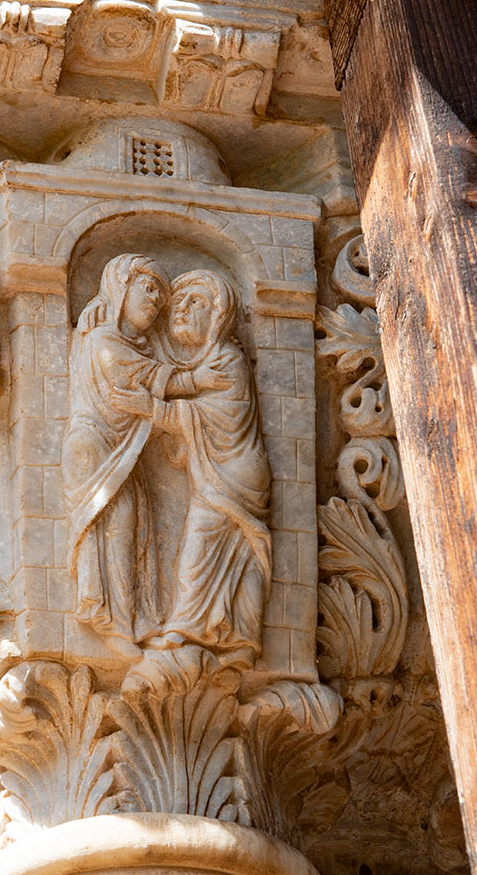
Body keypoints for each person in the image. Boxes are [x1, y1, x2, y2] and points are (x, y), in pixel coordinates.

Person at [62, 255, 229, 649]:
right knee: (115, 520)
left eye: (160, 294)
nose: (156, 300)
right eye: (148, 288)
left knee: (133, 522)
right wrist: (196, 379)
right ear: (121, 288)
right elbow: (147, 376)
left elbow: (152, 369)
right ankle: (105, 616)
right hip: (94, 447)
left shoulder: (130, 342)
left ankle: (131, 620)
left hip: (121, 450)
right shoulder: (103, 340)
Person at [111, 269, 271, 664]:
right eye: (177, 304)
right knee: (236, 552)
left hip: (234, 475)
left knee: (204, 553)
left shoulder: (228, 360)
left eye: (194, 302)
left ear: (218, 314)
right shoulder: (207, 364)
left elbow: (220, 418)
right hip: (220, 472)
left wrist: (153, 410)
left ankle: (189, 630)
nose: (180, 309)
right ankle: (239, 640)